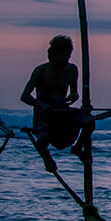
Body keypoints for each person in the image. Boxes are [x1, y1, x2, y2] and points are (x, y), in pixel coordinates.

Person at [20, 35, 90, 172]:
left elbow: (74, 92)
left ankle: (78, 147)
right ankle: (47, 158)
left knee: (89, 121)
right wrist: (41, 104)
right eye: (63, 55)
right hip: (45, 114)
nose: (66, 59)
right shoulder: (41, 71)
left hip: (62, 112)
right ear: (53, 55)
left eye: (68, 56)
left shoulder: (72, 70)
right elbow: (25, 96)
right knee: (43, 138)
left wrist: (74, 95)